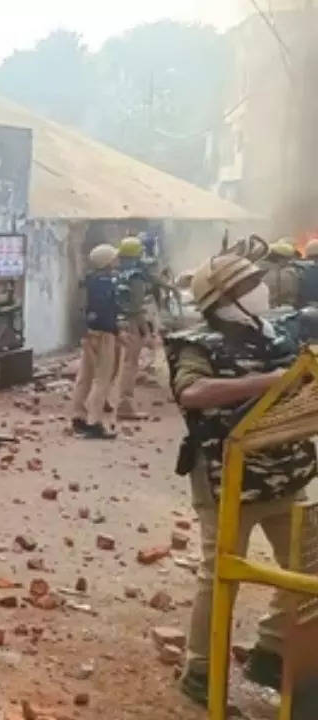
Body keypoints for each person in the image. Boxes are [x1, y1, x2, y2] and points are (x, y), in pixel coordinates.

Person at [165, 249, 318, 707]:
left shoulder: (280, 331)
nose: (266, 288)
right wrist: (270, 382)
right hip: (226, 476)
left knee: (309, 565)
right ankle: (199, 671)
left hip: (286, 470)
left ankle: (271, 650)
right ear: (230, 298)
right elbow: (192, 393)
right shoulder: (198, 345)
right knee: (219, 575)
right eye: (254, 284)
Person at [69, 244, 121, 440]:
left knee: (84, 376)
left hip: (89, 332)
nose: (116, 261)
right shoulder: (108, 283)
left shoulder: (89, 281)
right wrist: (117, 331)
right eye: (113, 258)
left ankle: (78, 416)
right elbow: (109, 312)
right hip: (104, 334)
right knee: (102, 379)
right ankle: (94, 422)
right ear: (107, 262)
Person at [114, 236, 158, 420]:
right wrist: (146, 332)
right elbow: (137, 307)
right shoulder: (137, 277)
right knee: (130, 364)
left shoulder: (117, 274)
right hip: (131, 324)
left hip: (115, 322)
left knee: (113, 365)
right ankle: (125, 404)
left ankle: (102, 402)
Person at [258, 239, 300, 309]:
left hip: (264, 311)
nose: (290, 261)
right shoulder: (290, 274)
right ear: (281, 259)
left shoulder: (258, 270)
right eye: (289, 259)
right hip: (283, 312)